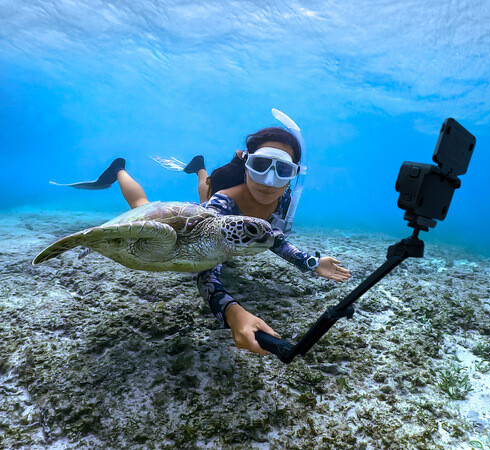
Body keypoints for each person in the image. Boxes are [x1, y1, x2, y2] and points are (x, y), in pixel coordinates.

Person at [55, 125, 351, 356]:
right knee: (146, 206)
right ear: (247, 164)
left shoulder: (284, 199)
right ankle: (118, 170)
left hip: (223, 215)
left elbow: (273, 238)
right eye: (261, 165)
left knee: (205, 191)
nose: (270, 181)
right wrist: (233, 313)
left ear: (293, 175)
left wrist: (311, 262)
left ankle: (199, 167)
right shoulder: (221, 205)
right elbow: (206, 270)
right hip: (213, 209)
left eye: (283, 170)